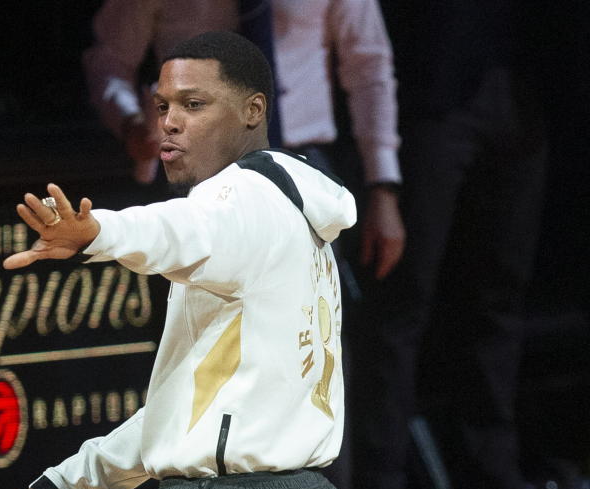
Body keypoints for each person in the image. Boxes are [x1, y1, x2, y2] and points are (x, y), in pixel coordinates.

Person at [0, 31, 357, 489]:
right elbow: (182, 417)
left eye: (194, 104)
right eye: (162, 106)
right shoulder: (300, 224)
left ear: (253, 111)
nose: (169, 124)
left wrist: (96, 233)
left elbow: (177, 230)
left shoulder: (239, 199)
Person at [352, 0, 590, 489]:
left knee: (499, 297)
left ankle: (490, 478)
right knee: (403, 296)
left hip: (526, 90)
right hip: (433, 91)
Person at [83, 0, 404, 284]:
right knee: (197, 320)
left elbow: (368, 68)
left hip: (299, 165)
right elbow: (109, 58)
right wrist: (130, 123)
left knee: (311, 323)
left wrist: (382, 186)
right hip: (196, 167)